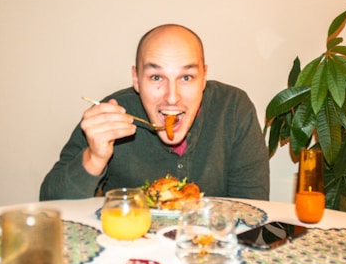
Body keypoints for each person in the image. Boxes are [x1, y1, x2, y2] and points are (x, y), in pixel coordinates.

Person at [40, 24, 269, 201]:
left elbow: (252, 209)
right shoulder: (110, 115)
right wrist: (94, 157)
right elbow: (51, 204)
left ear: (204, 77)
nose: (171, 97)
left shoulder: (234, 108)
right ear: (136, 79)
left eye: (186, 77)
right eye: (156, 77)